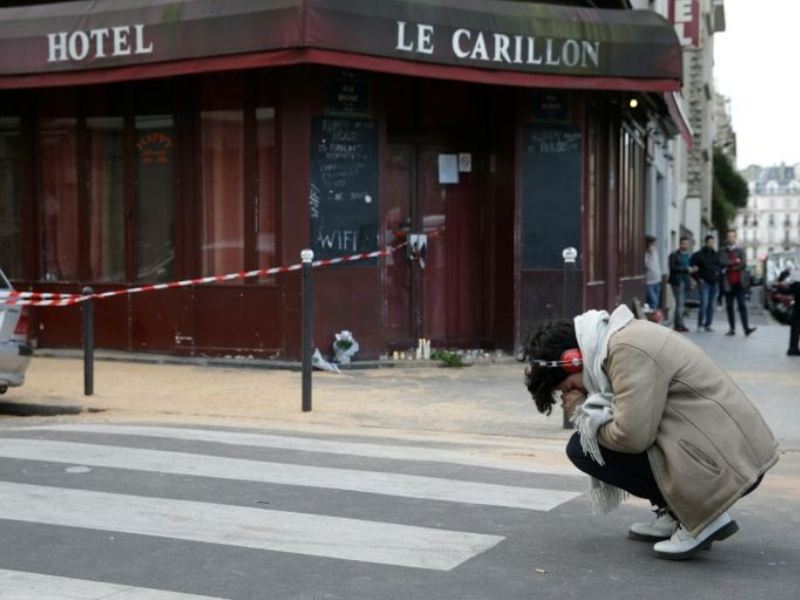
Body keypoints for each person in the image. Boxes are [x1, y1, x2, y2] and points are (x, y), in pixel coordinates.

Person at [524, 306, 778, 560]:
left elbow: (631, 437)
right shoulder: (619, 340)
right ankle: (676, 511)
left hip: (728, 462)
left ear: (573, 360)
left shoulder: (627, 350)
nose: (571, 395)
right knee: (587, 444)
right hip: (723, 450)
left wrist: (582, 412)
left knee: (582, 449)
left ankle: (701, 516)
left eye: (568, 387)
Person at [719, 230, 756, 336]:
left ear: (735, 238)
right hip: (728, 283)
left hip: (739, 283)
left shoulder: (740, 250)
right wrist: (735, 262)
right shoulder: (723, 251)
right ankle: (732, 329)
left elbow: (743, 263)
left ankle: (746, 329)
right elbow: (721, 262)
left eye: (732, 236)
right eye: (728, 236)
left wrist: (731, 266)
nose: (730, 238)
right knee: (729, 307)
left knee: (742, 306)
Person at [690, 235, 720, 331]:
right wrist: (698, 279)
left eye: (712, 242)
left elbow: (719, 267)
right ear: (705, 242)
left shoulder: (716, 254)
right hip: (704, 283)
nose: (711, 244)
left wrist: (717, 276)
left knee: (711, 305)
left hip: (713, 283)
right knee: (704, 304)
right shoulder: (698, 255)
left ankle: (708, 325)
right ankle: (700, 324)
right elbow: (691, 269)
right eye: (709, 242)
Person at [668, 237, 696, 332]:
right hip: (677, 282)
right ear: (679, 244)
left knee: (682, 304)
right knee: (679, 304)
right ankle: (678, 325)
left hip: (685, 281)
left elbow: (688, 268)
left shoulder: (687, 255)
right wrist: (686, 269)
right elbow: (673, 267)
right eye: (683, 243)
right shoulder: (674, 255)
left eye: (687, 244)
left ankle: (680, 324)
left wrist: (692, 271)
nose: (685, 245)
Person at [777, 269, 800, 356]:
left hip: (797, 310)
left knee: (795, 329)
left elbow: (785, 291)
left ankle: (793, 348)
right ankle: (793, 349)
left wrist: (780, 282)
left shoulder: (796, 284)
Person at [644, 235, 662, 310]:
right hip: (649, 282)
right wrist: (649, 254)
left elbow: (656, 265)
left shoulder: (655, 252)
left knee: (656, 303)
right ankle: (652, 320)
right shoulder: (645, 254)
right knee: (653, 302)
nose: (654, 246)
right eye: (652, 244)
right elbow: (646, 265)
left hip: (657, 280)